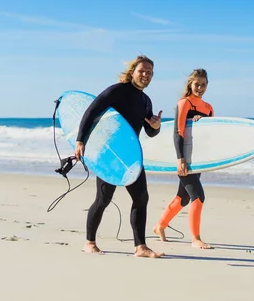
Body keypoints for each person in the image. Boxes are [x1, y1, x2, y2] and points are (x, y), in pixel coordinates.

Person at [74, 55, 165, 258]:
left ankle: (140, 246)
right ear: (133, 71)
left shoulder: (145, 101)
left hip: (131, 156)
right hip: (110, 153)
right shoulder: (117, 91)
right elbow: (91, 111)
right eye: (142, 70)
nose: (146, 75)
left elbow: (149, 132)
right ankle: (89, 242)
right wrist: (80, 140)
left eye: (149, 72)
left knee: (141, 197)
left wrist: (156, 126)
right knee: (104, 198)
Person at [153, 68, 214, 249]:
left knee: (183, 197)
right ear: (190, 84)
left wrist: (200, 122)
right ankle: (195, 238)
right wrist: (180, 158)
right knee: (198, 196)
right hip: (184, 157)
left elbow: (210, 135)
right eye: (197, 84)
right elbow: (178, 132)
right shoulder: (184, 103)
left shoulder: (208, 108)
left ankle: (159, 226)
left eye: (203, 85)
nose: (200, 88)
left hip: (198, 159)